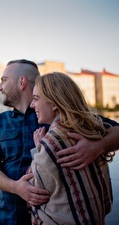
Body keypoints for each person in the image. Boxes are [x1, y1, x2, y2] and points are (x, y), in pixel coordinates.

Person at [0, 59, 119, 225]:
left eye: (4, 80)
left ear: (21, 82)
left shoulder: (53, 113)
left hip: (52, 218)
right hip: (8, 217)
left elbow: (114, 130)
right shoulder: (0, 122)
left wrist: (98, 146)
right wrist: (16, 187)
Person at [29, 72, 114, 224]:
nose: (32, 105)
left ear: (54, 102)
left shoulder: (51, 143)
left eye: (36, 99)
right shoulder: (94, 130)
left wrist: (39, 149)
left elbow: (35, 193)